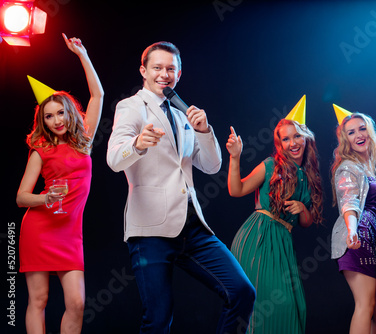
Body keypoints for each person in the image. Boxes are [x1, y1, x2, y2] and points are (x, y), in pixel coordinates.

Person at [106, 41, 255, 334]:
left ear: (179, 73)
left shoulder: (181, 113)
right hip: (150, 231)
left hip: (192, 227)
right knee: (159, 320)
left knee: (241, 291)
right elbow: (113, 158)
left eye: (170, 68)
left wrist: (204, 131)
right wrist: (137, 144)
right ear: (144, 71)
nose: (164, 74)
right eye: (157, 68)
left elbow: (211, 166)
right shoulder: (131, 107)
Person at [16, 34, 104, 333]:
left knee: (77, 303)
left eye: (60, 112)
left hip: (69, 233)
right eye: (49, 116)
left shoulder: (84, 142)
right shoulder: (41, 150)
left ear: (69, 111)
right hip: (39, 229)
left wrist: (82, 54)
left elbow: (98, 96)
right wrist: (45, 199)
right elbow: (21, 197)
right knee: (38, 300)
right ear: (44, 121)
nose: (56, 120)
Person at [226, 117, 324, 333]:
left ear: (306, 138)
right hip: (258, 236)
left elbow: (306, 222)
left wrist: (302, 208)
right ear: (280, 144)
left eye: (297, 136)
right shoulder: (271, 165)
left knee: (292, 306)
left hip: (283, 242)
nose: (293, 143)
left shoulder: (309, 176)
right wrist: (235, 157)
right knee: (262, 307)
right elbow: (237, 190)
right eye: (286, 139)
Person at [330, 111, 376, 334]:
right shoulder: (347, 167)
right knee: (365, 305)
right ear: (345, 140)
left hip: (366, 240)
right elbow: (349, 200)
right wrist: (352, 229)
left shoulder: (365, 166)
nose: (358, 135)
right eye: (351, 132)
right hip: (354, 240)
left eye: (362, 129)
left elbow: (371, 159)